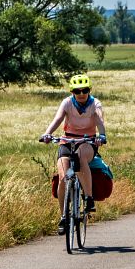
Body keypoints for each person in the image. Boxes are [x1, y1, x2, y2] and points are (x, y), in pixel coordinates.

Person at [40, 73, 107, 235]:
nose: (82, 94)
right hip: (66, 140)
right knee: (63, 177)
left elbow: (99, 120)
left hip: (87, 141)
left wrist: (102, 135)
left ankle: (89, 198)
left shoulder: (95, 103)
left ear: (89, 90)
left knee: (81, 157)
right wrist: (48, 133)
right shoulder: (67, 103)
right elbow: (58, 119)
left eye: (85, 90)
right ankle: (63, 216)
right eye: (78, 91)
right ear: (72, 92)